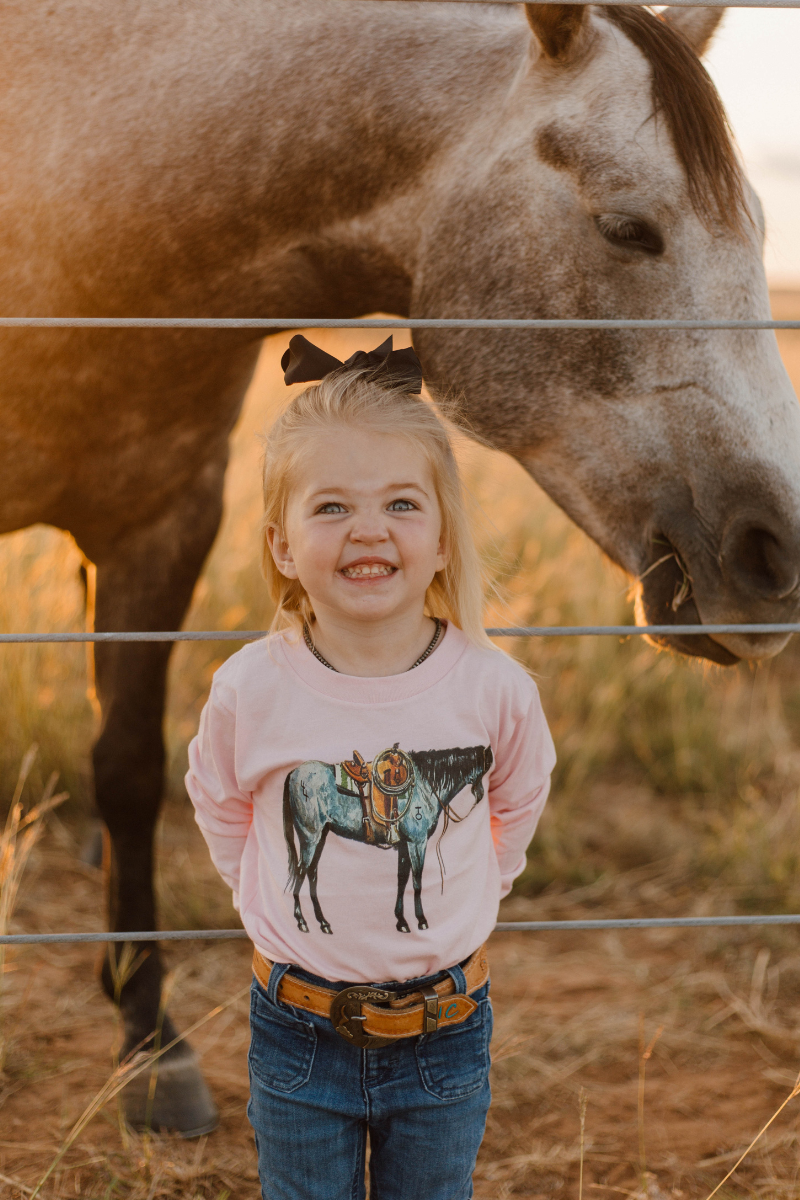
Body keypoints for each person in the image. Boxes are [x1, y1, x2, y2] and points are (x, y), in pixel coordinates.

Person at [185, 334, 556, 1200]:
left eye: (399, 504)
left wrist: (482, 886)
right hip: (297, 1029)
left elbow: (521, 791)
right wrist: (258, 894)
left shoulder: (494, 690)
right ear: (281, 546)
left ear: (439, 539)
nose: (368, 531)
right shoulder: (250, 687)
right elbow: (219, 798)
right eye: (331, 509)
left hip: (445, 1030)